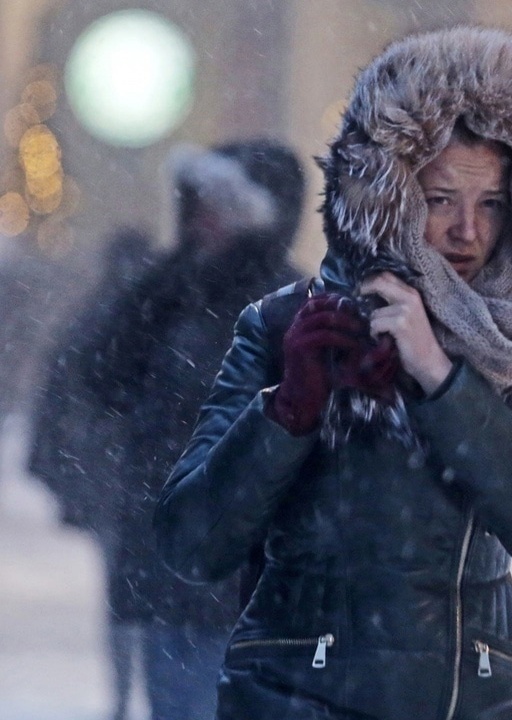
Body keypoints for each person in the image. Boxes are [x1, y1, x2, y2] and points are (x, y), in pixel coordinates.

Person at [154, 27, 512, 720]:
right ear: (391, 194)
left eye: (490, 202)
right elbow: (193, 541)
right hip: (297, 698)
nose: (467, 229)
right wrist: (288, 411)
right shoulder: (290, 326)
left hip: (470, 699)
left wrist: (441, 379)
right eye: (441, 200)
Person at [86, 140, 306, 720]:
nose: (204, 218)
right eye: (198, 202)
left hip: (255, 580)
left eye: (221, 205)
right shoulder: (168, 292)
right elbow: (98, 378)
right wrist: (156, 287)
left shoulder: (293, 307)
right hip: (172, 571)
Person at [27, 227, 157, 720]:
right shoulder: (161, 314)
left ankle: (125, 695)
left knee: (123, 597)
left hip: (110, 484)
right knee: (165, 600)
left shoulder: (93, 318)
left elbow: (58, 400)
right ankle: (151, 691)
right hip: (147, 482)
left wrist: (64, 476)